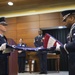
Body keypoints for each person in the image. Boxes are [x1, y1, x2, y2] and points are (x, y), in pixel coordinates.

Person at [55, 10, 75, 75]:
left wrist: (61, 47)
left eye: (65, 20)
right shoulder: (72, 30)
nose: (64, 23)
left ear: (72, 18)